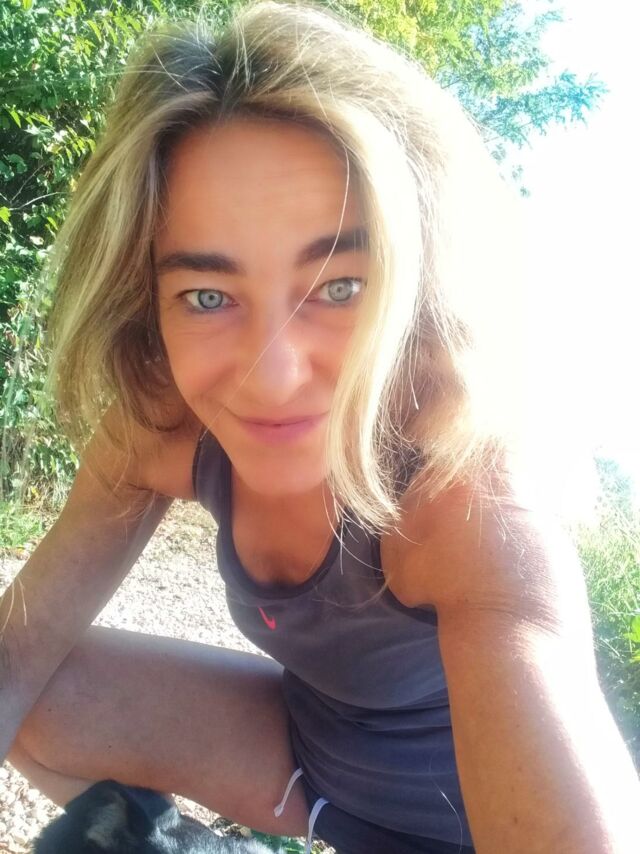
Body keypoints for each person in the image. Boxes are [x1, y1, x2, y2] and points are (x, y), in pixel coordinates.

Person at [1, 2, 638, 853]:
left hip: (455, 833)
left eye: (341, 287)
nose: (271, 377)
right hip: (302, 765)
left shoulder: (466, 505)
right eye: (207, 296)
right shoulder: (163, 425)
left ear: (421, 289)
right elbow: (20, 648)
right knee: (38, 694)